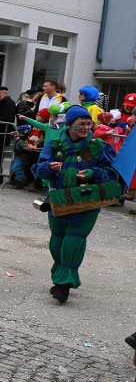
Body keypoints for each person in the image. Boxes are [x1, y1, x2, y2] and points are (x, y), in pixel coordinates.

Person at [31, 106, 122, 303]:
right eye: (81, 124)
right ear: (69, 124)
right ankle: (60, 273)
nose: (86, 128)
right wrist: (49, 168)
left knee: (73, 240)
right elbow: (38, 168)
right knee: (57, 240)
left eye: (89, 124)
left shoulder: (98, 147)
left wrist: (92, 174)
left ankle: (63, 285)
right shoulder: (55, 145)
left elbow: (113, 174)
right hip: (58, 199)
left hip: (86, 202)